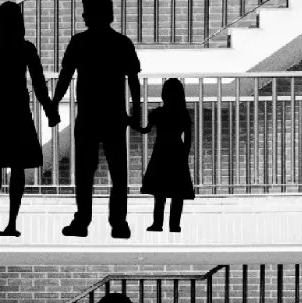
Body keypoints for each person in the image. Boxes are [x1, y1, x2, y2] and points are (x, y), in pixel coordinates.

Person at [51, 0, 141, 240]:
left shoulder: (80, 42)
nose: (82, 16)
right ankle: (118, 223)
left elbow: (65, 76)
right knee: (118, 173)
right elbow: (133, 79)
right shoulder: (121, 42)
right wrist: (137, 112)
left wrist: (54, 103)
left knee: (84, 173)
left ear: (88, 15)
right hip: (113, 116)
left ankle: (82, 221)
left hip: (89, 117)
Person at [0, 1, 59, 236]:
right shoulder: (26, 48)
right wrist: (50, 111)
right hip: (18, 112)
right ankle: (11, 223)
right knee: (18, 169)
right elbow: (40, 86)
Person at [139, 78, 194, 233]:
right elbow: (188, 139)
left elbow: (145, 130)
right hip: (177, 152)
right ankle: (174, 225)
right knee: (178, 192)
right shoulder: (183, 113)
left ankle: (158, 224)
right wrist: (184, 154)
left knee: (159, 192)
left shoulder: (158, 113)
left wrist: (131, 122)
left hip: (161, 152)